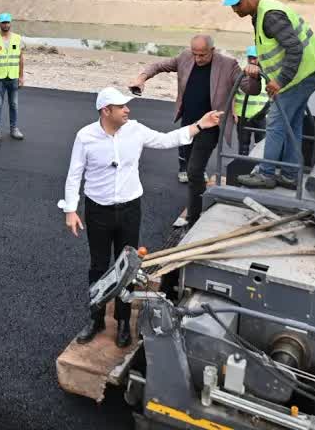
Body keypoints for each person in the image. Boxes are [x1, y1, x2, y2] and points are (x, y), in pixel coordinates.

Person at [59, 88, 223, 347]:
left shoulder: (135, 130)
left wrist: (200, 125)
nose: (128, 110)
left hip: (129, 210)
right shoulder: (85, 137)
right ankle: (96, 318)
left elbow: (167, 140)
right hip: (98, 210)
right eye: (121, 106)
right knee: (99, 266)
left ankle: (124, 322)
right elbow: (74, 174)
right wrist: (70, 209)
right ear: (106, 111)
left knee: (128, 268)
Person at [127, 35, 258, 228]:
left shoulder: (228, 65)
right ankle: (196, 202)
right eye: (195, 54)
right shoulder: (185, 57)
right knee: (191, 171)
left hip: (211, 125)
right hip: (189, 124)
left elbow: (250, 89)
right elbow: (158, 66)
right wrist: (142, 77)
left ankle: (193, 217)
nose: (197, 59)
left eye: (202, 55)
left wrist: (254, 75)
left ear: (212, 51)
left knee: (195, 170)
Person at [222, 0, 315, 189]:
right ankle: (289, 173)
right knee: (292, 125)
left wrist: (280, 81)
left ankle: (266, 174)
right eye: (232, 5)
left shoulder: (270, 16)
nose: (234, 9)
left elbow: (294, 48)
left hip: (300, 76)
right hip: (306, 72)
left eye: (238, 3)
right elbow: (276, 46)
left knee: (276, 123)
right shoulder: (260, 12)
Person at [0, 12, 25, 142]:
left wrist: (21, 76)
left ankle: (14, 129)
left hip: (13, 77)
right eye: (3, 22)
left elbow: (21, 58)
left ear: (10, 23)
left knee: (14, 104)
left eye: (7, 22)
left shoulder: (18, 38)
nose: (6, 24)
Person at [234, 46, 271, 156]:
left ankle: (257, 169)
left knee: (260, 147)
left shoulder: (267, 77)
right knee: (243, 146)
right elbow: (232, 95)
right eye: (250, 58)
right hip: (243, 116)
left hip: (261, 117)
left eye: (255, 58)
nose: (252, 61)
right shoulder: (240, 75)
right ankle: (241, 167)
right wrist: (233, 112)